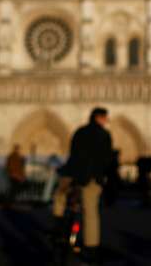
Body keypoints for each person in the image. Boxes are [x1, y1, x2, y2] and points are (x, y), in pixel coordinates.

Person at [51, 107, 112, 264]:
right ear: (100, 118)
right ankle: (91, 247)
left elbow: (73, 153)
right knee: (90, 211)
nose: (106, 121)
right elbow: (106, 159)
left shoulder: (79, 132)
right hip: (91, 177)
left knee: (59, 196)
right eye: (105, 118)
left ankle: (57, 224)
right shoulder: (104, 135)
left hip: (72, 174)